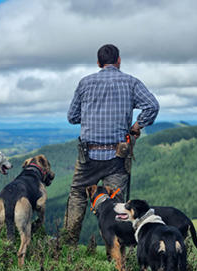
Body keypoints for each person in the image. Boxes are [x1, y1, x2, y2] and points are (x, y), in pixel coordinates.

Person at [63, 44, 159, 245]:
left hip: (88, 156)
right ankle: (116, 251)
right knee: (116, 204)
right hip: (118, 156)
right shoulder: (131, 83)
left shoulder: (85, 83)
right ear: (119, 60)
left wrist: (92, 116)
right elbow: (152, 106)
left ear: (98, 63)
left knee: (78, 195)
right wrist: (136, 126)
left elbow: (72, 117)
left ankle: (68, 244)